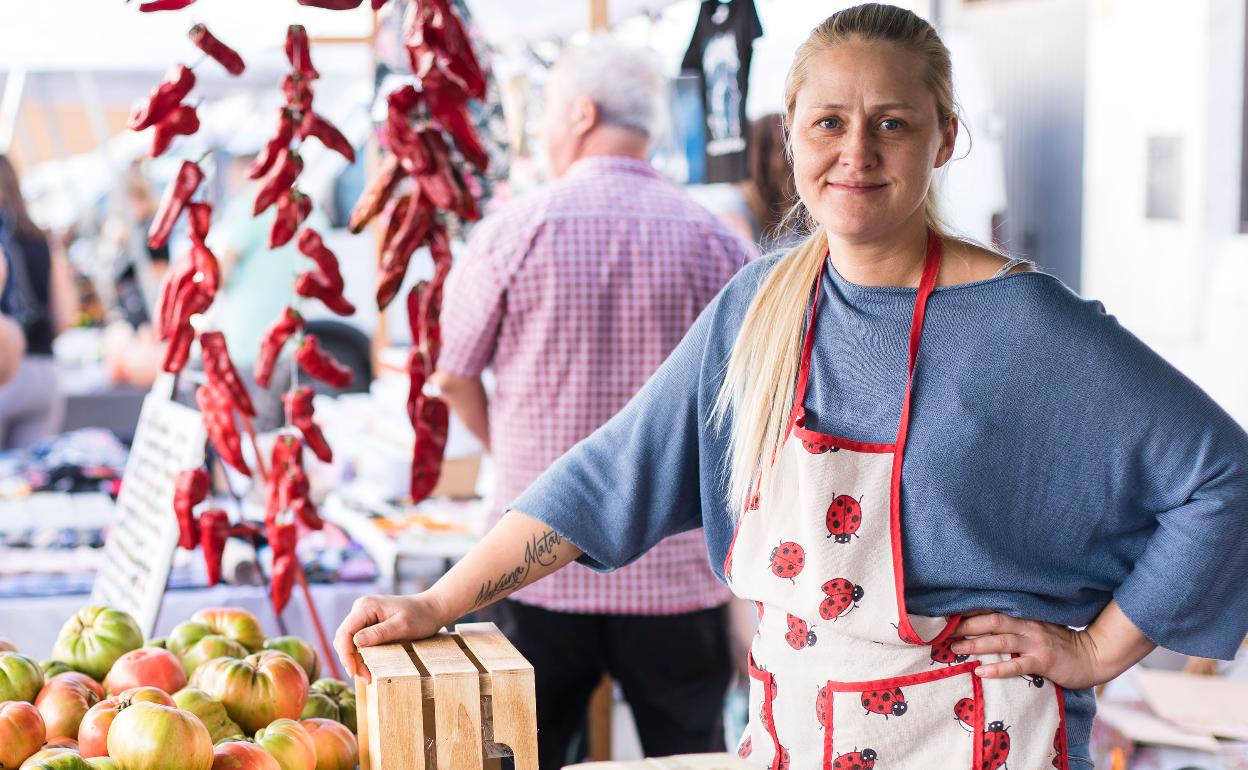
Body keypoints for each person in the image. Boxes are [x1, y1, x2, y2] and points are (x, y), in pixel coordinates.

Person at [335, 6, 1248, 770]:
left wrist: (1094, 652)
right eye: (829, 122)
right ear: (793, 131)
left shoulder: (1029, 325)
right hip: (795, 738)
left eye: (892, 121)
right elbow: (607, 475)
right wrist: (437, 604)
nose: (857, 151)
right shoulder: (758, 307)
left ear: (945, 137)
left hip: (983, 742)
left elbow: (1222, 479)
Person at [426, 38, 748, 768]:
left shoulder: (513, 231)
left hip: (531, 570)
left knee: (515, 754)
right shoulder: (714, 241)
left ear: (580, 113)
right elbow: (746, 405)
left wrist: (510, 451)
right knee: (689, 759)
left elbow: (452, 377)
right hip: (675, 579)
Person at [0, 154, 78, 449]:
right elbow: (65, 317)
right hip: (44, 375)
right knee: (30, 483)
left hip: (4, 371)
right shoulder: (44, 240)